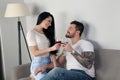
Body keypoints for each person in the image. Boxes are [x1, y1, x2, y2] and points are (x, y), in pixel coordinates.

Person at [26, 12, 61, 80]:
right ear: (42, 18)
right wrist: (51, 48)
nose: (50, 24)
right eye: (49, 21)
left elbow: (52, 53)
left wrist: (55, 67)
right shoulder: (31, 33)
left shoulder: (47, 33)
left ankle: (33, 77)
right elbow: (35, 53)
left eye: (51, 22)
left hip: (48, 64)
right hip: (38, 64)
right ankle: (34, 75)